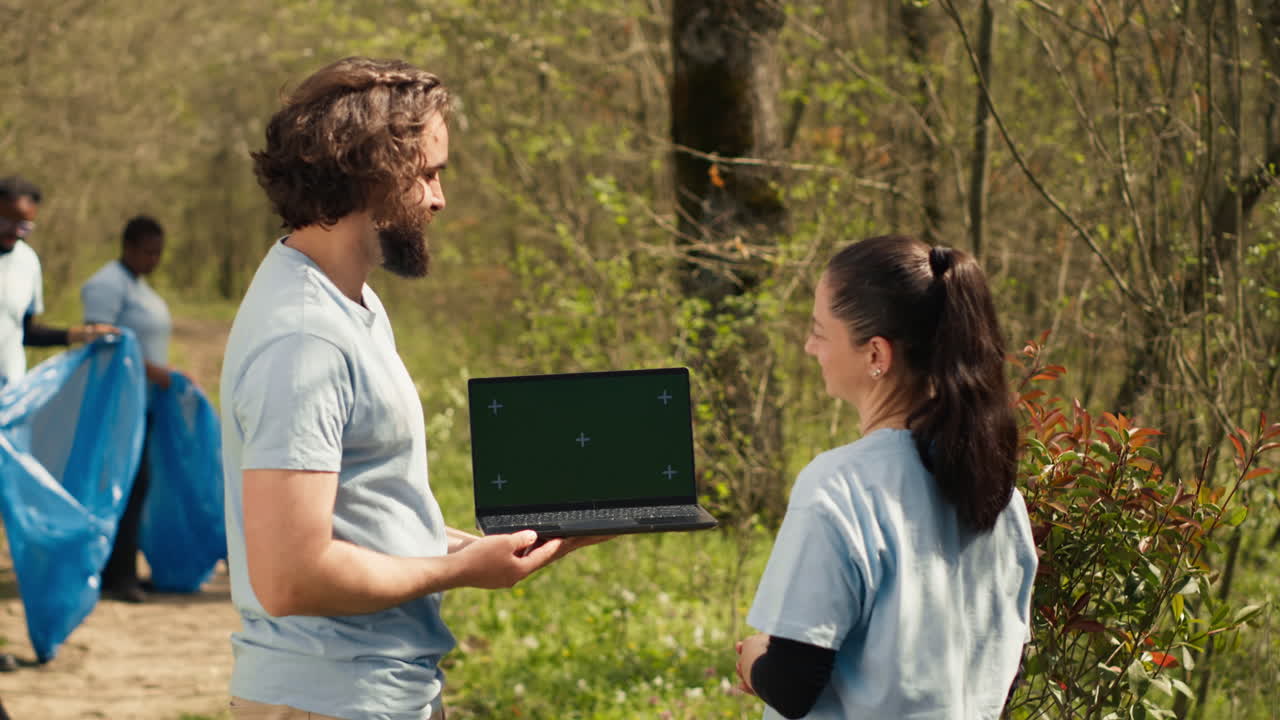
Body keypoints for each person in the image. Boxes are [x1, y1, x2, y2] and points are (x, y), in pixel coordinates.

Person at [222, 57, 606, 720]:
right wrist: (461, 571)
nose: (438, 198)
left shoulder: (349, 302)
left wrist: (497, 547)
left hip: (374, 691)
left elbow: (363, 523)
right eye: (427, 173)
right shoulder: (305, 339)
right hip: (333, 698)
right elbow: (290, 576)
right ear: (369, 170)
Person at [734, 235, 1038, 719]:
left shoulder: (838, 487)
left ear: (876, 354)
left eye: (819, 331)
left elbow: (792, 683)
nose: (809, 347)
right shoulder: (1001, 496)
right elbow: (1007, 662)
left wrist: (754, 661)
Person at [81, 214, 184, 603]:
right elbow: (103, 346)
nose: (154, 259)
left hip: (143, 400)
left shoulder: (137, 286)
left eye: (159, 252)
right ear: (128, 247)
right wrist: (153, 371)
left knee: (140, 486)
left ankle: (125, 568)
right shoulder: (107, 285)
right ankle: (117, 574)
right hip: (116, 404)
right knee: (125, 484)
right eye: (148, 251)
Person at [0, 176, 116, 389]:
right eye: (5, 222)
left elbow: (25, 332)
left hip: (9, 395)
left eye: (24, 227)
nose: (15, 233)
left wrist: (82, 334)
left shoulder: (28, 262)